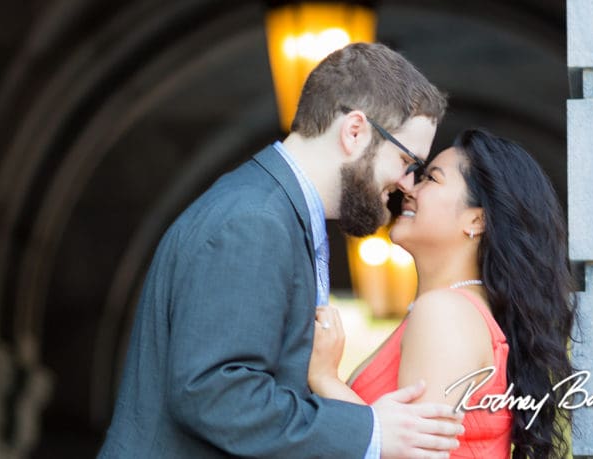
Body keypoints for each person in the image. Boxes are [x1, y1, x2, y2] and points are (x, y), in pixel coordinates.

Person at [98, 43, 465, 458]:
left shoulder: (272, 213)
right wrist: (370, 432)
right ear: (355, 132)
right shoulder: (255, 222)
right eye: (407, 160)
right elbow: (216, 395)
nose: (408, 184)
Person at [308, 129, 576, 459]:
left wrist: (325, 379)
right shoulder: (455, 311)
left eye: (431, 179)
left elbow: (415, 454)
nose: (409, 188)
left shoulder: (446, 313)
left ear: (476, 220)